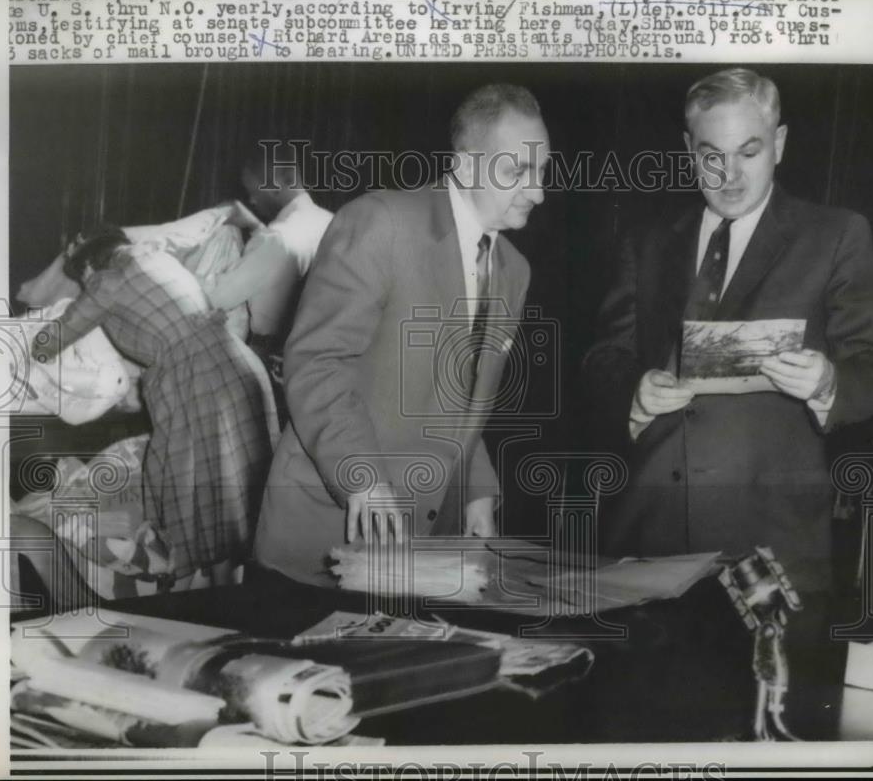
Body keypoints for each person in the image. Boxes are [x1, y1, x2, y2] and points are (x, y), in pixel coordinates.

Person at [583, 68, 873, 592]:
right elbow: (602, 360)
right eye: (712, 155)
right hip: (645, 539)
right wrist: (634, 390)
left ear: (779, 143)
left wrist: (827, 382)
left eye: (748, 153)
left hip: (772, 547)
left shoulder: (836, 235)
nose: (729, 175)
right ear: (688, 149)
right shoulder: (648, 241)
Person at [254, 84, 550, 586]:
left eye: (542, 171)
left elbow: (462, 402)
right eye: (516, 172)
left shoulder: (513, 268)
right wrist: (363, 480)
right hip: (324, 533)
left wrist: (477, 490)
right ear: (465, 164)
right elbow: (316, 363)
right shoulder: (380, 222)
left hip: (428, 545)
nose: (538, 192)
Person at [32, 225, 280, 587]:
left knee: (196, 489)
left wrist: (28, 337)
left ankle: (208, 600)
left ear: (89, 267)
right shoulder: (157, 259)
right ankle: (230, 593)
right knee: (237, 492)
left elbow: (49, 342)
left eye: (82, 279)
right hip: (237, 364)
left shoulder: (107, 281)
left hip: (198, 381)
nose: (86, 286)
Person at [203, 143, 334, 365]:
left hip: (270, 362)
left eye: (253, 192)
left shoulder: (275, 239)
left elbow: (216, 298)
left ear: (277, 184)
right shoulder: (333, 221)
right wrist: (256, 227)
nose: (252, 201)